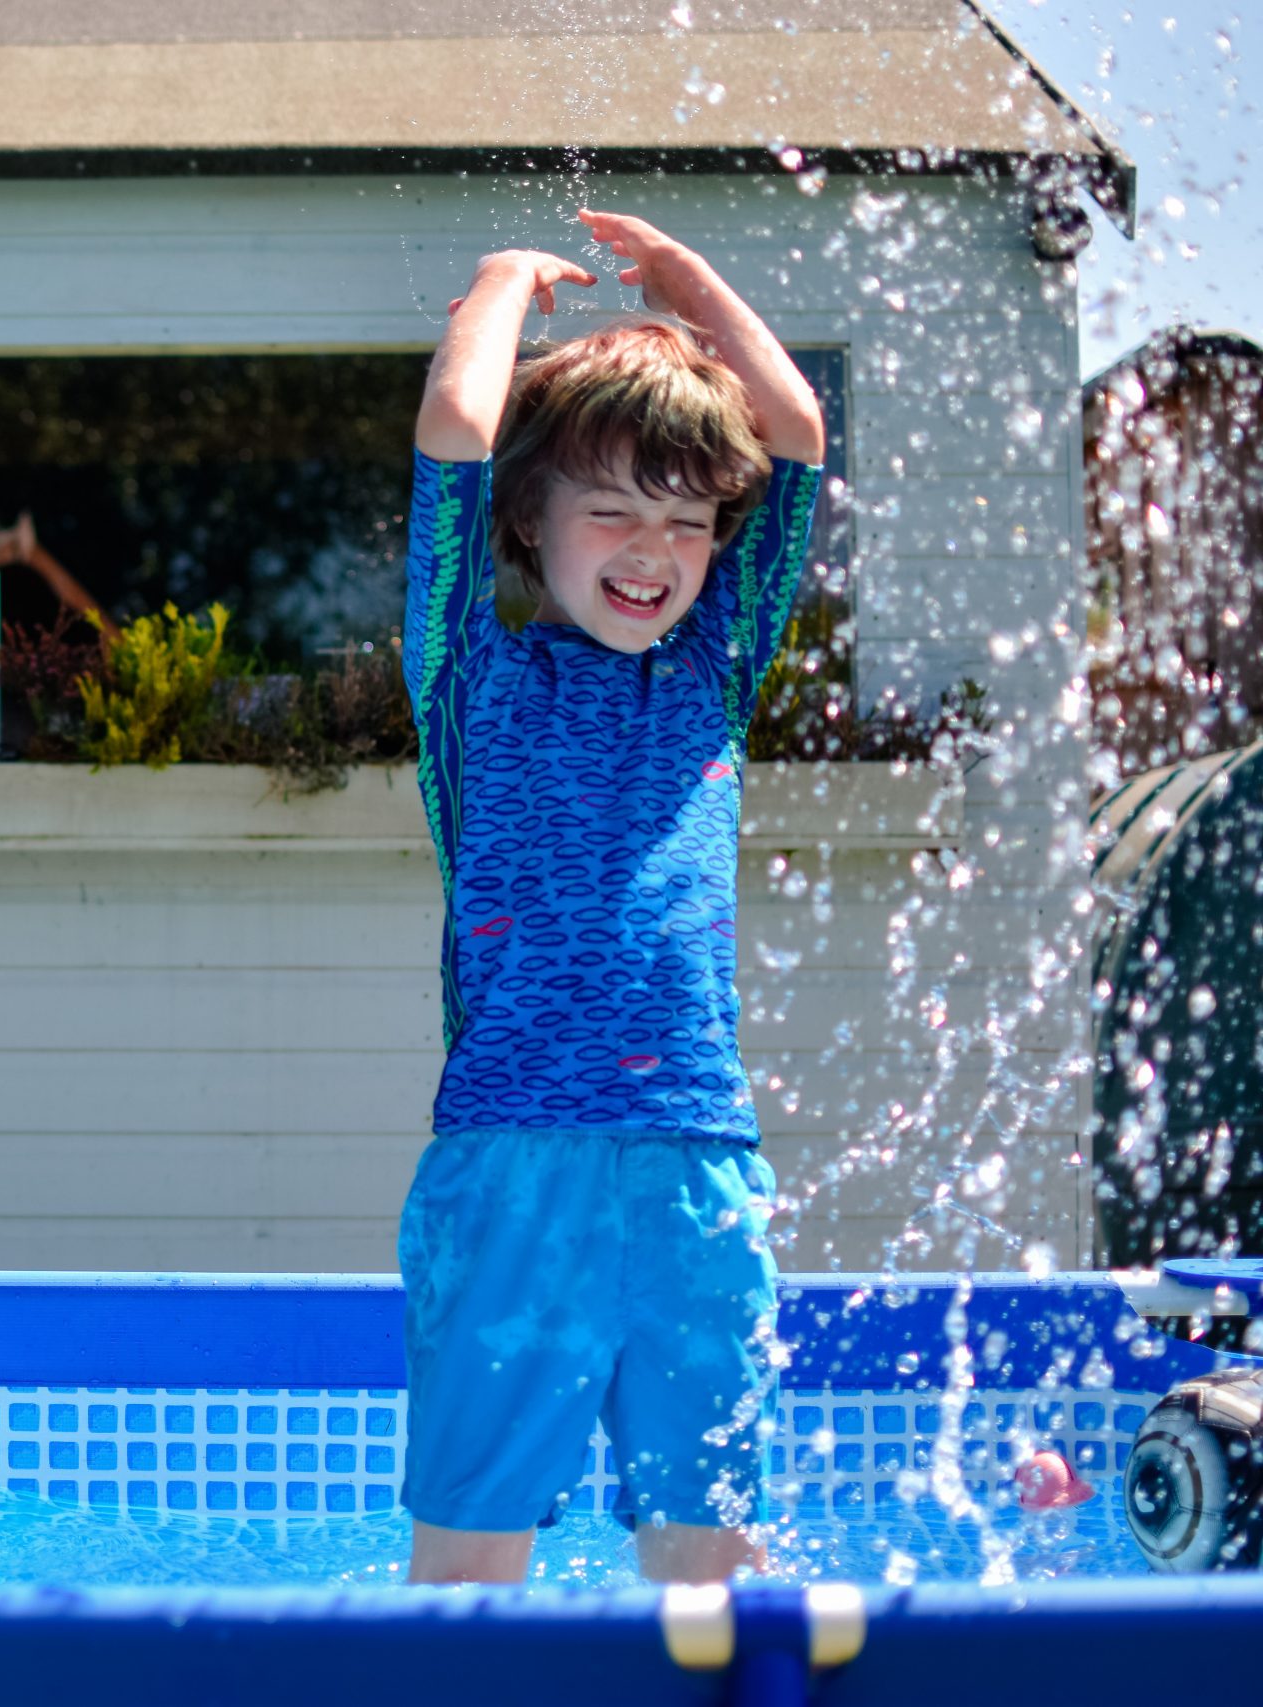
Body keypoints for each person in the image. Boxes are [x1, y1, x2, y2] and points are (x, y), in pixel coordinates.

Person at [397, 208, 827, 1585]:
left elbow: (799, 434)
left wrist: (695, 287)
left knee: (710, 1552)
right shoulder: (470, 672)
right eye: (615, 510)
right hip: (512, 1155)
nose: (656, 549)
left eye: (689, 522)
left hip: (695, 1154)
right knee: (473, 1550)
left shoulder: (712, 668)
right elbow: (459, 436)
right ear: (532, 520)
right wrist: (498, 286)